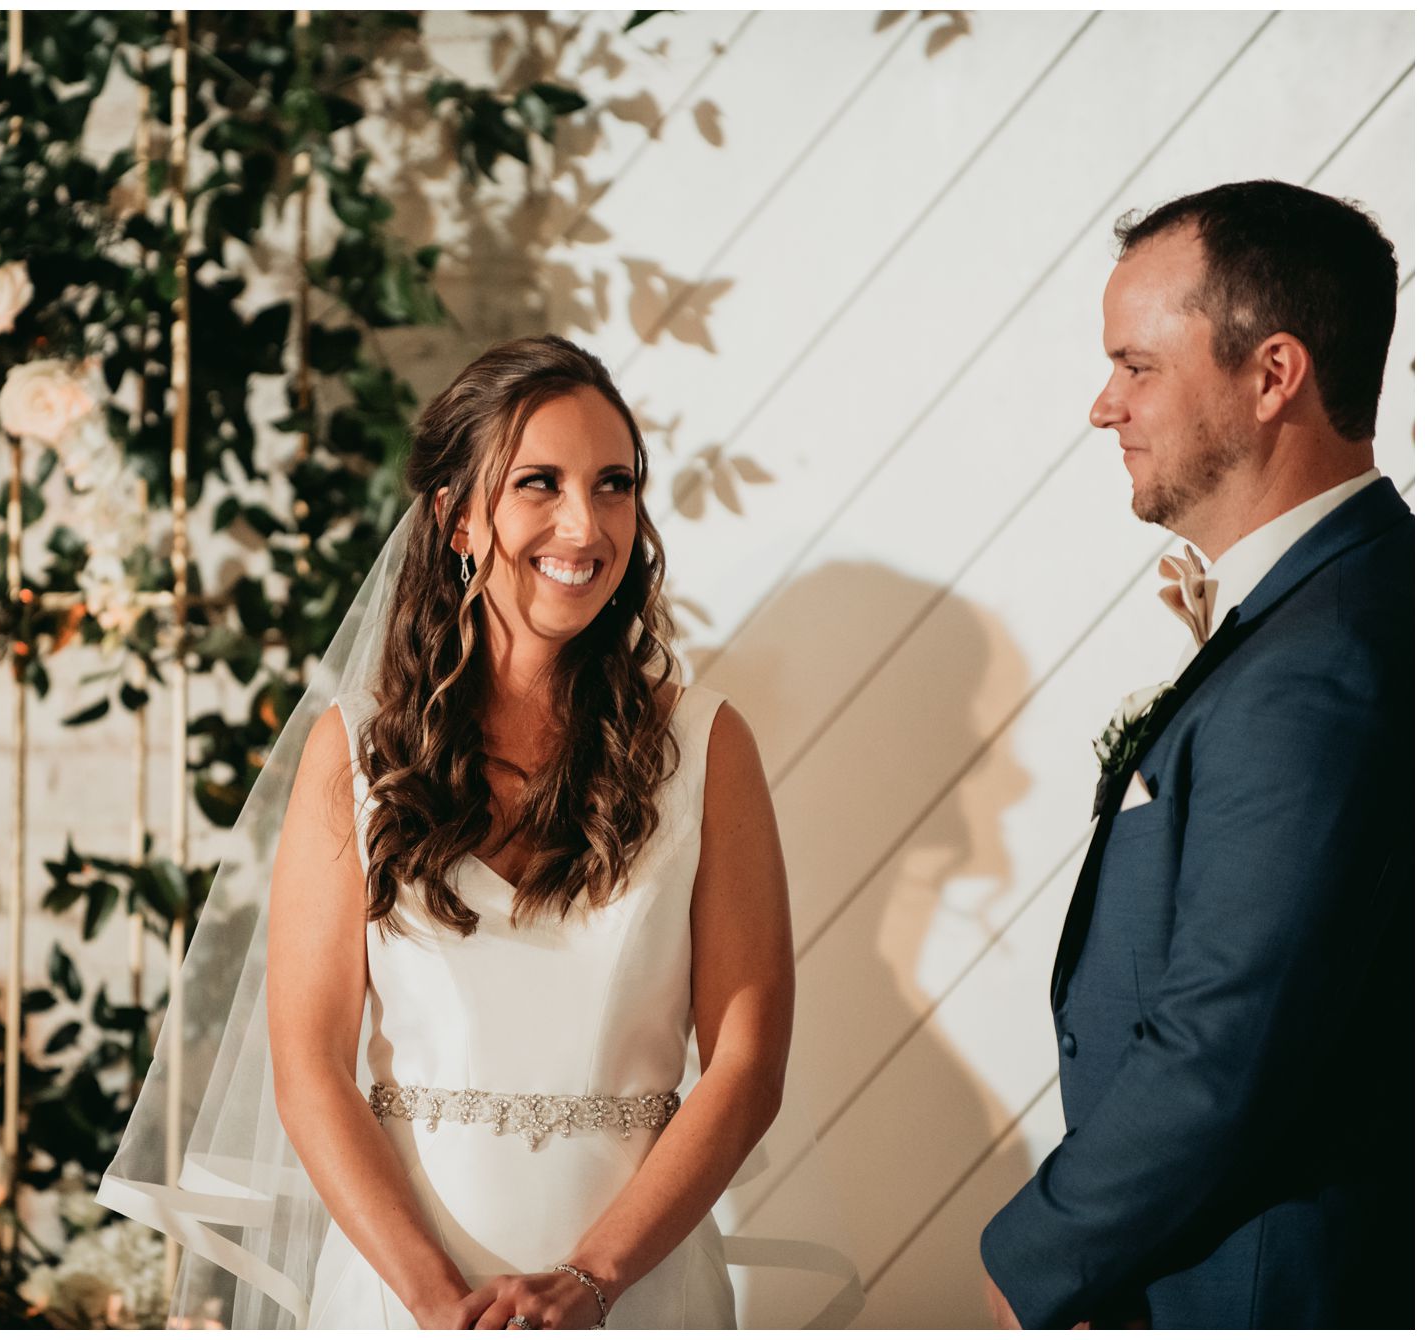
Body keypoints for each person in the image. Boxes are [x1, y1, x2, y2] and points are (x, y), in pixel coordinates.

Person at [96, 336, 861, 1328]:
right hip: (397, 1291)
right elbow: (310, 1065)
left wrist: (592, 1279)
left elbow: (746, 1066)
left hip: (639, 1290)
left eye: (615, 484)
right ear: (457, 515)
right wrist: (434, 1302)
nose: (586, 524)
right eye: (540, 483)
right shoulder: (356, 751)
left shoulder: (706, 747)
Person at [979, 181, 1413, 1328]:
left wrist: (1028, 1262)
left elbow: (1228, 1039)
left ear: (1272, 375)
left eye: (1135, 365)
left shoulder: (1324, 659)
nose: (1102, 405)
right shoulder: (1334, 603)